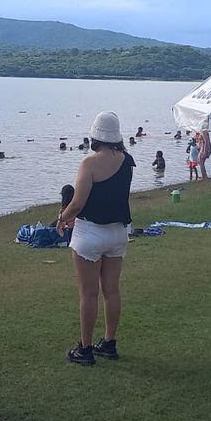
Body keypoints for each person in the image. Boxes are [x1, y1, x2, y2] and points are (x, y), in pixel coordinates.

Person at [56, 112, 133, 366]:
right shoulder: (127, 160)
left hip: (90, 234)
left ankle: (85, 348)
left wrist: (62, 217)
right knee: (111, 291)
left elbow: (78, 203)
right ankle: (109, 343)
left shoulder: (89, 164)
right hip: (118, 233)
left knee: (88, 294)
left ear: (95, 136)